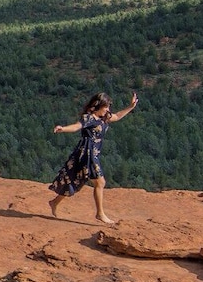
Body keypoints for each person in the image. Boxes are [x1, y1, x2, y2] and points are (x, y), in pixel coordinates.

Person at [46, 92, 137, 224]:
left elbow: (117, 116)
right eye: (105, 107)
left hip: (93, 154)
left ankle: (54, 202)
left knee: (75, 180)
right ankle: (100, 214)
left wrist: (131, 107)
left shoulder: (104, 117)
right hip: (87, 154)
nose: (108, 110)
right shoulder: (89, 118)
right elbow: (77, 126)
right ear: (98, 105)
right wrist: (63, 129)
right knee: (100, 183)